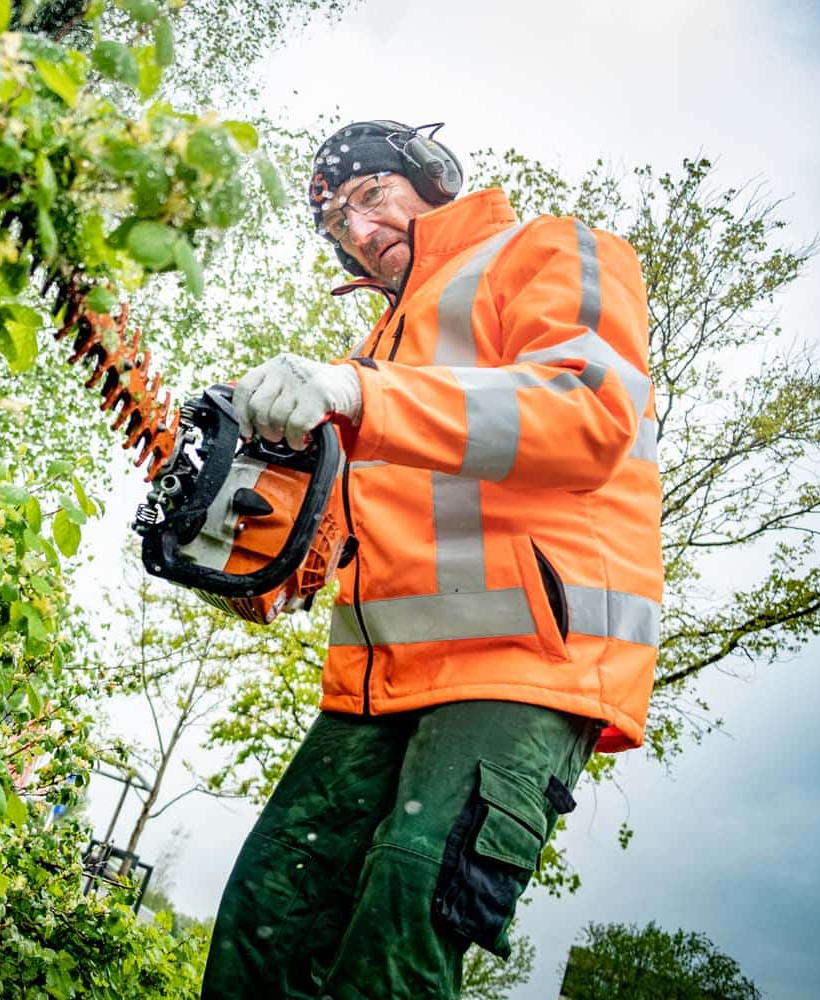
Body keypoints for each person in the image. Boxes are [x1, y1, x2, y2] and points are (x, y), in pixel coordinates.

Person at [200, 120, 662, 999]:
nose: (360, 234)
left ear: (432, 179)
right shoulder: (370, 356)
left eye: (371, 197)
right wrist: (245, 555)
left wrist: (357, 392)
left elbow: (588, 411)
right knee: (270, 909)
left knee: (405, 911)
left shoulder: (550, 249)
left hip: (526, 665)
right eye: (337, 225)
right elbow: (327, 536)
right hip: (377, 685)